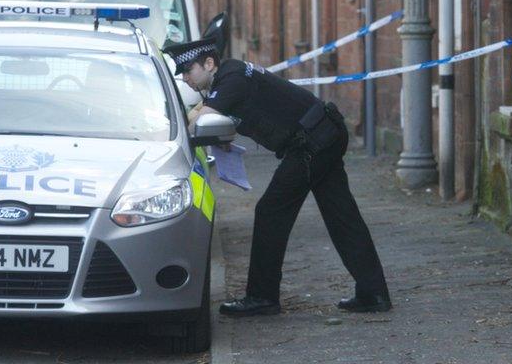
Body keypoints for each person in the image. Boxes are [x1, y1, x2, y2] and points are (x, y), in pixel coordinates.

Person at [164, 37, 392, 317]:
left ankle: (262, 296)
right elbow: (222, 116)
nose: (185, 78)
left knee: (271, 211)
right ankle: (374, 292)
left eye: (188, 70)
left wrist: (181, 129)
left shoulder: (230, 80)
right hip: (324, 134)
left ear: (209, 63)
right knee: (342, 214)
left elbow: (201, 121)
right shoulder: (229, 75)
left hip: (311, 143)